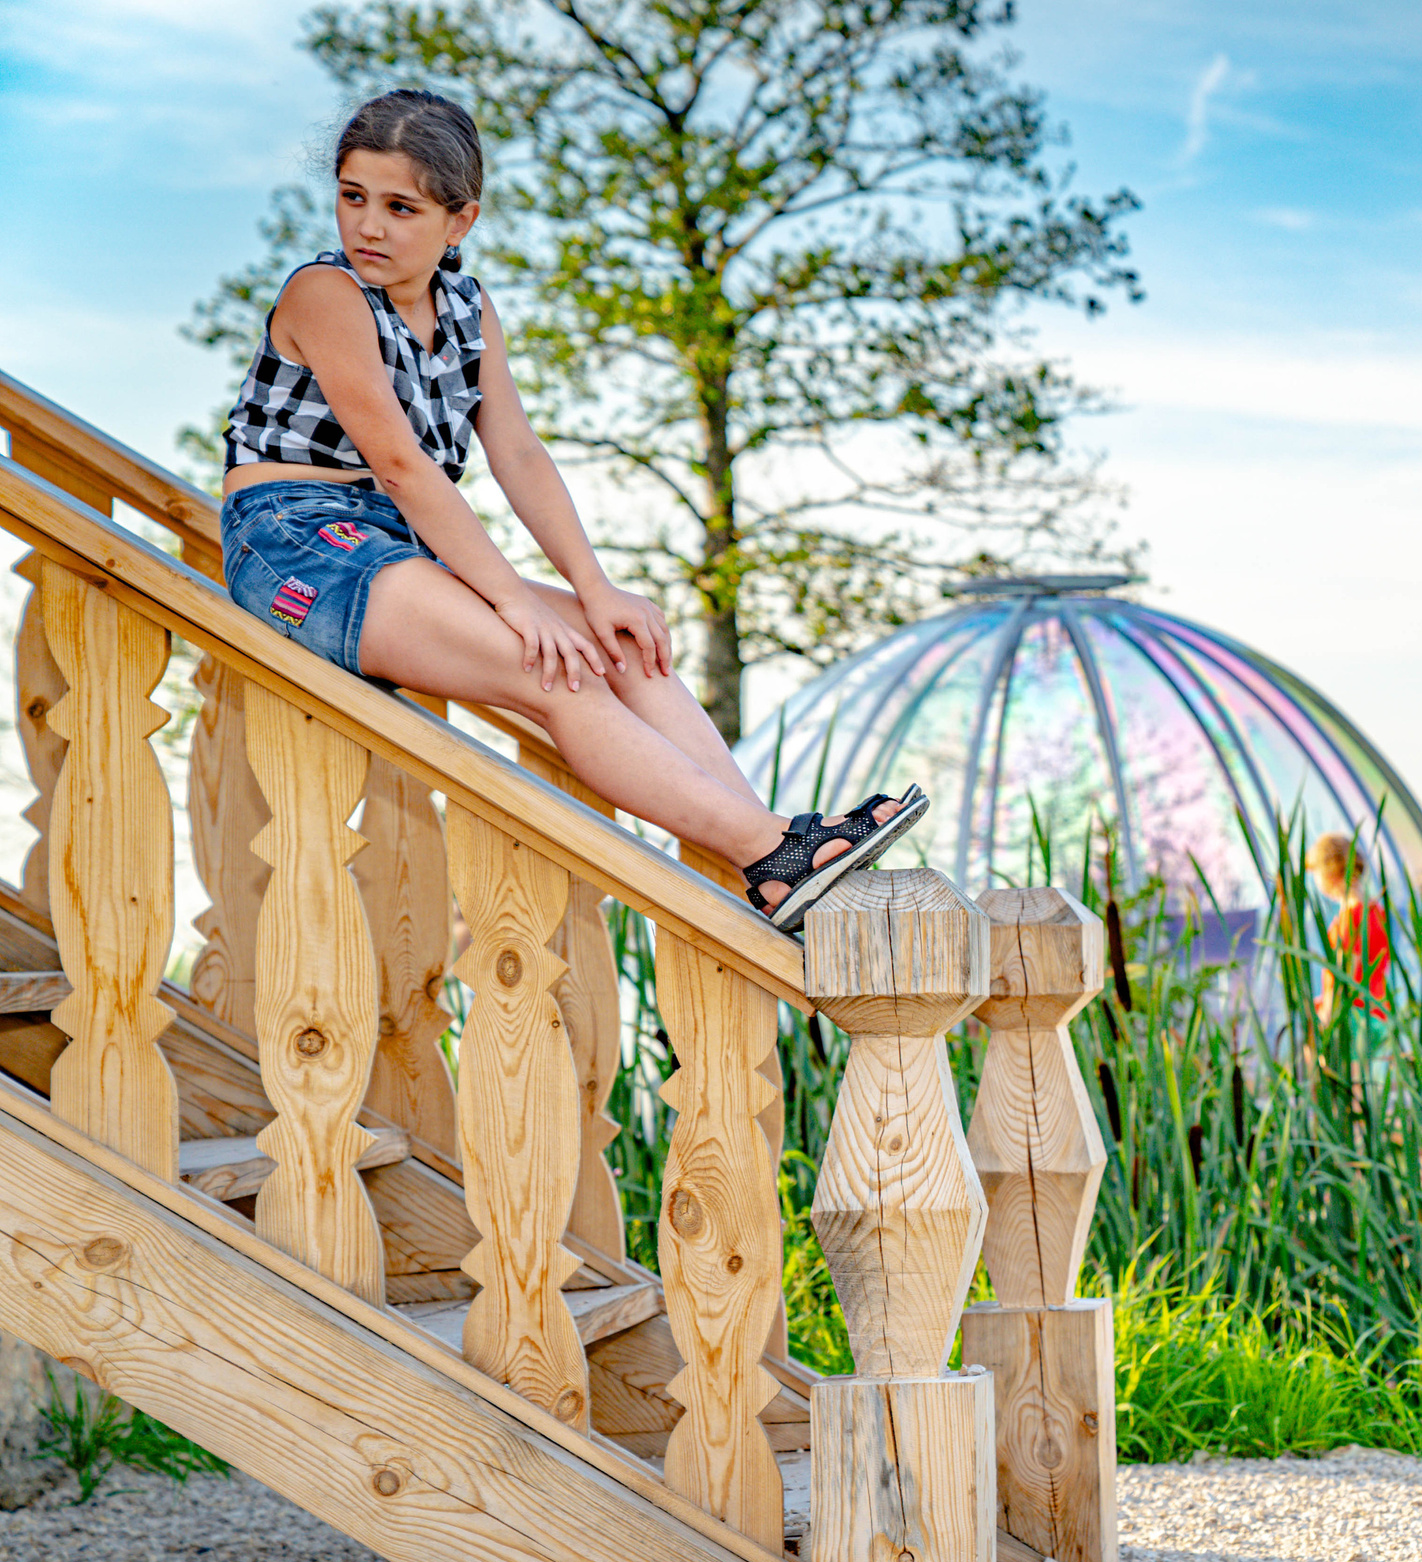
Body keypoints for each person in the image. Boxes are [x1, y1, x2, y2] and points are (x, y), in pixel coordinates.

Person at [217, 89, 923, 934]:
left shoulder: (469, 312)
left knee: (626, 651)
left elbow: (516, 454)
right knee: (554, 667)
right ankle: (773, 848)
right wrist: (517, 601)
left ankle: (784, 858)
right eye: (352, 195)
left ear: (459, 220)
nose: (368, 224)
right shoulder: (326, 293)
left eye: (400, 206)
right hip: (296, 541)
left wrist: (596, 589)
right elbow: (402, 465)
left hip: (395, 548)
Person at [1308, 833, 1390, 1028]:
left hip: (1354, 1022)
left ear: (1329, 873)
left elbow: (1343, 981)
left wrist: (1324, 1022)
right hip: (1378, 1015)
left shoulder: (1350, 920)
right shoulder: (1376, 912)